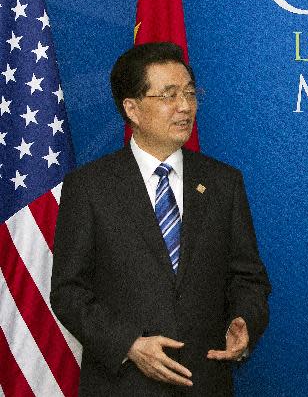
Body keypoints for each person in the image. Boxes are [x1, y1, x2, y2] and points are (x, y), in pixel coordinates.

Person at [51, 42, 271, 396]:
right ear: (133, 109)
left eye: (189, 93)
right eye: (169, 95)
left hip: (205, 382)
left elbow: (248, 277)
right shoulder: (90, 186)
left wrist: (244, 320)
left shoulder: (222, 183)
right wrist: (129, 345)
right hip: (123, 385)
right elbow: (69, 291)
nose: (185, 107)